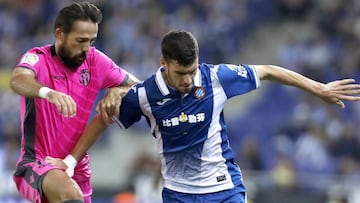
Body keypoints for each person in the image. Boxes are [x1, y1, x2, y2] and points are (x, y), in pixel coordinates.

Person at [47, 30, 360, 203]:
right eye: (181, 73)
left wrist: (318, 88)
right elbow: (103, 119)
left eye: (192, 70)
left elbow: (267, 71)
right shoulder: (144, 95)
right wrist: (72, 163)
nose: (188, 80)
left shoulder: (215, 78)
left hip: (225, 190)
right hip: (178, 196)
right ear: (164, 63)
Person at [9, 2, 140, 203]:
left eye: (92, 41)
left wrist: (118, 91)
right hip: (37, 163)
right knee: (70, 195)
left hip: (76, 167)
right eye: (80, 41)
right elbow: (18, 79)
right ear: (60, 34)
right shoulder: (38, 58)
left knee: (73, 194)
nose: (87, 49)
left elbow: (138, 86)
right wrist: (48, 93)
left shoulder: (96, 61)